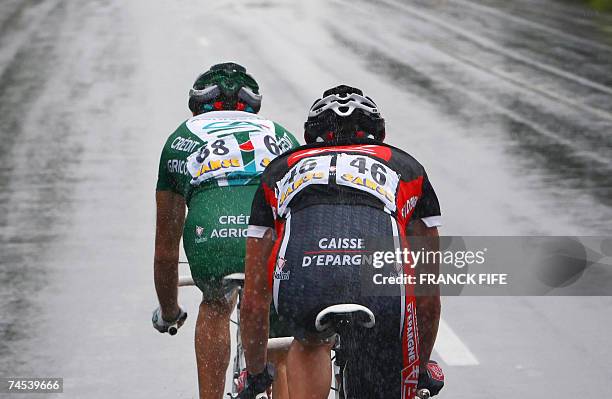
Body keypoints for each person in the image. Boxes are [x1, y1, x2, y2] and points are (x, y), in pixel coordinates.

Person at [240, 85, 445, 398]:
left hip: (306, 277)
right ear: (379, 133)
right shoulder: (407, 166)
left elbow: (254, 297)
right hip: (379, 281)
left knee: (309, 340)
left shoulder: (280, 168)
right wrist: (420, 368)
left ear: (310, 136)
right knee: (388, 352)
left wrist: (255, 373)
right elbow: (428, 289)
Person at [152, 62, 299, 399]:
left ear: (196, 106)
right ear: (253, 106)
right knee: (276, 323)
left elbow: (165, 249)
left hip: (214, 233)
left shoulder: (181, 137)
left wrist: (170, 311)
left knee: (216, 303)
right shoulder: (280, 133)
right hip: (269, 236)